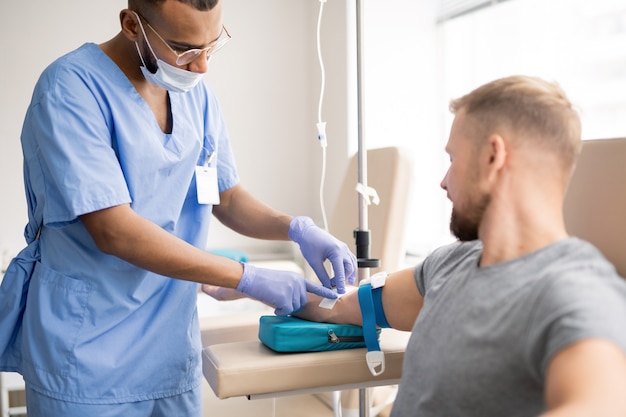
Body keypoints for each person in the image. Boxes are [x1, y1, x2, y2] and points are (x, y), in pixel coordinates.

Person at [0, 0, 357, 415]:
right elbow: (114, 230)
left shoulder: (195, 96)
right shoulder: (69, 89)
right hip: (88, 354)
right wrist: (246, 278)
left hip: (169, 349)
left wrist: (296, 227)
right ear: (132, 25)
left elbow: (225, 195)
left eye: (212, 46)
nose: (202, 66)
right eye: (185, 49)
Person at [296, 75, 626, 416]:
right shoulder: (451, 264)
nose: (443, 181)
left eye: (452, 158)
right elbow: (348, 306)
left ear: (493, 157)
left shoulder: (576, 292)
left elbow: (600, 402)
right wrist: (266, 286)